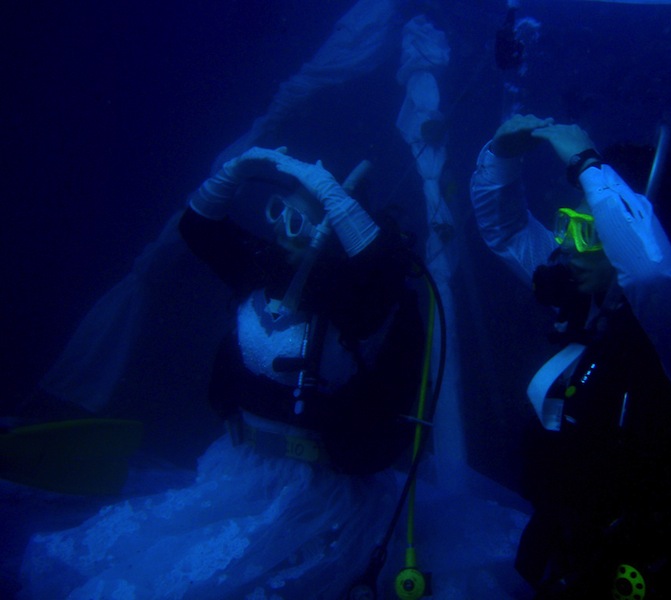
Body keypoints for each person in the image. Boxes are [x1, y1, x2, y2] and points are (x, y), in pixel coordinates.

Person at [19, 147, 426, 600]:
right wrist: (234, 172)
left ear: (329, 234)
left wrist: (330, 194)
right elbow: (198, 228)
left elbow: (381, 272)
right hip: (241, 465)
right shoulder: (262, 267)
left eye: (298, 223)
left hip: (320, 488)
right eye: (278, 214)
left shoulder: (360, 304)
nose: (281, 231)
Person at [469, 114, 671, 599]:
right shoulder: (592, 301)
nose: (569, 248)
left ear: (637, 231)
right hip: (585, 550)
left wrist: (587, 166)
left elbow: (654, 280)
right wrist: (501, 156)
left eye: (591, 231)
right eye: (568, 226)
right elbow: (507, 232)